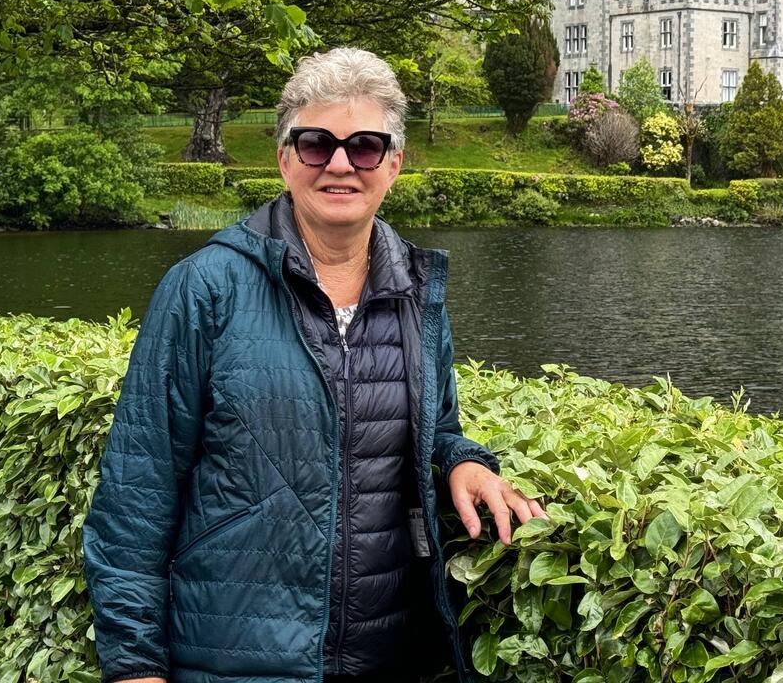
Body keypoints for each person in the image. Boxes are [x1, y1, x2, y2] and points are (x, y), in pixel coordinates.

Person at [83, 47, 546, 683]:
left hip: (386, 660)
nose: (339, 164)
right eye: (315, 144)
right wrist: (135, 667)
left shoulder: (415, 292)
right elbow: (137, 492)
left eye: (365, 147)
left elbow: (434, 429)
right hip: (232, 662)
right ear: (284, 159)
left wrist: (465, 461)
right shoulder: (204, 288)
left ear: (393, 165)